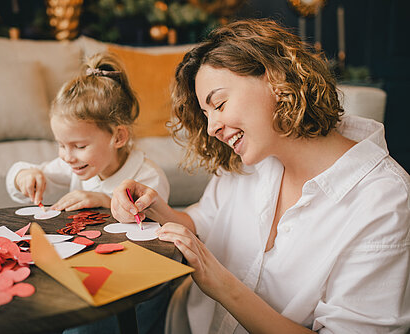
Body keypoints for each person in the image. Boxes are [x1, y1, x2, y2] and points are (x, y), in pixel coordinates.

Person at [111, 19, 410, 333]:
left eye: (219, 104)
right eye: (206, 114)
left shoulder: (384, 203)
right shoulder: (253, 157)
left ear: (277, 79)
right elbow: (205, 220)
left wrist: (221, 283)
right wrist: (158, 209)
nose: (212, 128)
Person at [6, 52, 169, 212]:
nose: (67, 157)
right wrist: (23, 177)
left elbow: (152, 223)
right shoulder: (75, 164)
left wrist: (104, 201)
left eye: (80, 146)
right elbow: (18, 179)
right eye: (61, 145)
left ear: (118, 137)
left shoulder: (149, 178)